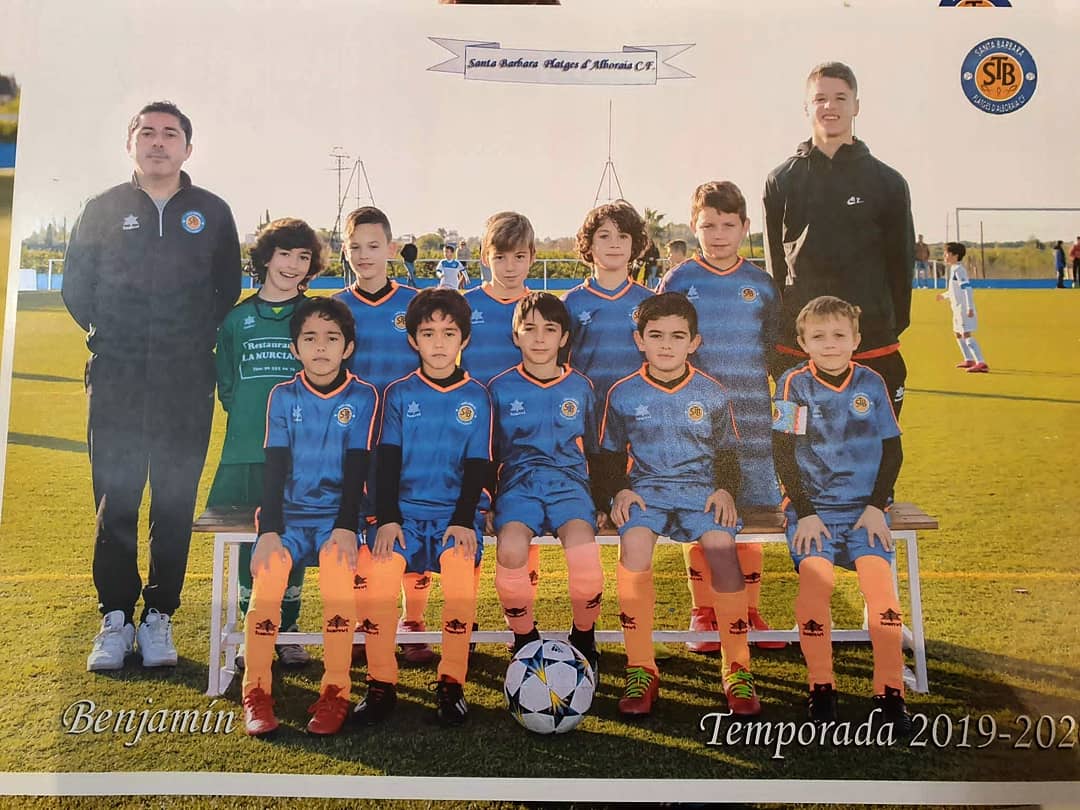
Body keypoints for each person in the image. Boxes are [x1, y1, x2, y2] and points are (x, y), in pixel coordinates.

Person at [63, 100, 241, 672]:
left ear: (188, 148)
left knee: (173, 498)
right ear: (130, 144)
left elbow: (226, 288)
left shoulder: (211, 212)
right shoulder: (102, 208)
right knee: (115, 496)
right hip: (116, 375)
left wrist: (184, 343)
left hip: (185, 379)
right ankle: (115, 617)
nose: (158, 142)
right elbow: (76, 287)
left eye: (170, 134)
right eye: (147, 133)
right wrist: (110, 336)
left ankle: (160, 615)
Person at [593, 292, 760, 719]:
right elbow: (609, 455)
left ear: (694, 343)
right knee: (633, 548)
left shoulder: (713, 392)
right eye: (656, 335)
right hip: (646, 490)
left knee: (722, 550)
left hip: (701, 490)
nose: (666, 345)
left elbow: (727, 454)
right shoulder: (624, 393)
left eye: (677, 336)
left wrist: (725, 491)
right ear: (639, 340)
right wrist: (618, 493)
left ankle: (737, 667)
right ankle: (641, 667)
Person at [772, 295, 911, 733]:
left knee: (881, 593)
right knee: (817, 587)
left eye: (838, 335)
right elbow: (782, 452)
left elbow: (893, 449)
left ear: (856, 340)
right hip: (813, 513)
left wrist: (875, 506)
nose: (829, 344)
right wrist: (806, 511)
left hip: (863, 513)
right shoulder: (792, 385)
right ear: (802, 342)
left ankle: (890, 694)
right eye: (818, 336)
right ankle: (822, 689)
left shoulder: (872, 382)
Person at [240, 297, 378, 737]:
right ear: (295, 348)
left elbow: (358, 469)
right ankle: (256, 689)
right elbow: (274, 465)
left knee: (339, 585)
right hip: (288, 518)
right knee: (267, 583)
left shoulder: (362, 396)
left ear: (348, 347)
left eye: (331, 339)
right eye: (310, 339)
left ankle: (335, 690)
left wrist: (344, 527)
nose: (321, 348)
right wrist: (270, 531)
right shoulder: (282, 396)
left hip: (336, 518)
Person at [353, 288, 491, 726]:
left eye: (448, 333)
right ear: (412, 339)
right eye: (427, 333)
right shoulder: (397, 394)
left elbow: (478, 464)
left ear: (463, 340)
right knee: (380, 580)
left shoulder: (478, 396)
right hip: (405, 513)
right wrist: (388, 518)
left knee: (458, 578)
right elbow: (387, 460)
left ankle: (451, 684)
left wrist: (464, 520)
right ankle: (381, 683)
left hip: (455, 514)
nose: (438, 342)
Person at [657, 181, 785, 654]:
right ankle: (704, 611)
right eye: (708, 225)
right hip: (697, 430)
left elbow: (779, 357)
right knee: (702, 515)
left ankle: (748, 609)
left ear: (745, 227)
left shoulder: (762, 284)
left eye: (728, 225)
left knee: (751, 515)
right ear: (694, 227)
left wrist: (784, 422)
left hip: (754, 423)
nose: (717, 234)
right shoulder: (678, 281)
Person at [763, 62, 914, 420]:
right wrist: (785, 328)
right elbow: (774, 264)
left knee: (876, 445)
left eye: (840, 98)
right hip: (800, 341)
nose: (829, 106)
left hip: (871, 338)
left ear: (856, 105)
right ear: (806, 107)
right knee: (794, 445)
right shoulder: (781, 179)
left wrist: (888, 325)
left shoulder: (888, 181)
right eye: (820, 98)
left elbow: (901, 262)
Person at [208, 217, 325, 671]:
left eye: (303, 258)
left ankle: (288, 629)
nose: (294, 265)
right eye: (285, 255)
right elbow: (228, 386)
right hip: (246, 452)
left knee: (290, 539)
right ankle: (249, 627)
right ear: (265, 258)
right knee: (247, 541)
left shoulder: (313, 316)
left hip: (300, 454)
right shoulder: (237, 318)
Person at [332, 207, 434, 664]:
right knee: (359, 527)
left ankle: (413, 621)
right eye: (355, 247)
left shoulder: (416, 304)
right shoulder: (336, 307)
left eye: (374, 246)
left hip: (411, 441)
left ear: (392, 250)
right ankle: (362, 621)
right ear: (345, 250)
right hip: (355, 443)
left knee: (410, 526)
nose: (364, 255)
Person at [488, 293, 603, 670]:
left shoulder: (580, 387)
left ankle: (583, 635)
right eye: (530, 329)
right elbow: (488, 451)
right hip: (519, 485)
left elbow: (597, 450)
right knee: (511, 549)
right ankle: (523, 636)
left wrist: (601, 500)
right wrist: (488, 501)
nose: (539, 338)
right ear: (515, 336)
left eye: (549, 329)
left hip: (569, 484)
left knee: (584, 551)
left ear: (564, 338)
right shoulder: (500, 388)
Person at [563, 200, 653, 406]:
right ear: (589, 244)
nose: (615, 244)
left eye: (623, 236)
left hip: (638, 409)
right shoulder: (570, 302)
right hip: (586, 407)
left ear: (634, 245)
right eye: (604, 236)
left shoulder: (649, 301)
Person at [461, 211, 535, 385]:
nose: (510, 267)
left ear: (533, 257)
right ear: (485, 258)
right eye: (500, 257)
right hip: (474, 407)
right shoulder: (465, 305)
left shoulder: (542, 308)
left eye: (519, 257)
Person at [937, 242, 988, 372]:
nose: (944, 256)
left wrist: (969, 307)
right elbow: (955, 291)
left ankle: (981, 362)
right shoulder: (954, 269)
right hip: (956, 309)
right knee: (957, 333)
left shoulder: (959, 270)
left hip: (963, 309)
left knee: (966, 334)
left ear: (955, 255)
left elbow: (967, 289)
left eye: (946, 254)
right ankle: (968, 359)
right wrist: (943, 296)